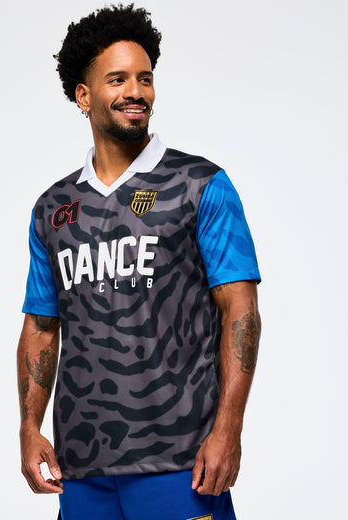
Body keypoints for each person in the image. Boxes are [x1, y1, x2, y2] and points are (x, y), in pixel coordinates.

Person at [17, 4, 261, 520]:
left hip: (181, 462)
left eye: (145, 78)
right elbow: (40, 327)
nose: (136, 91)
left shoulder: (200, 185)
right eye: (118, 79)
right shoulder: (53, 209)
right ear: (83, 96)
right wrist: (29, 428)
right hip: (81, 467)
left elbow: (240, 311)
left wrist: (229, 429)